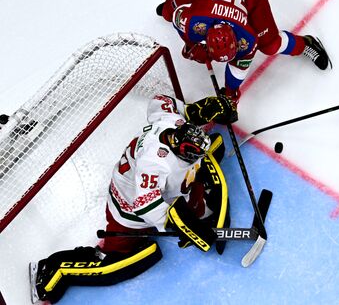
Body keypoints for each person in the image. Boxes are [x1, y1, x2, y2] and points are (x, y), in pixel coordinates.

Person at [30, 94, 237, 304]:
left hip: (157, 188)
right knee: (116, 255)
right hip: (128, 209)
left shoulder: (171, 122)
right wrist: (179, 224)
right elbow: (145, 205)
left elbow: (160, 100)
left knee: (192, 188)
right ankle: (53, 267)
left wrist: (195, 111)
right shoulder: (154, 162)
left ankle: (198, 207)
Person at [156, 0, 332, 104]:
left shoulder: (247, 38)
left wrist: (230, 95)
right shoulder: (191, 20)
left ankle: (307, 44)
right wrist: (191, 45)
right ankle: (167, 6)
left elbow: (237, 69)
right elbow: (176, 18)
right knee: (167, 12)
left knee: (271, 45)